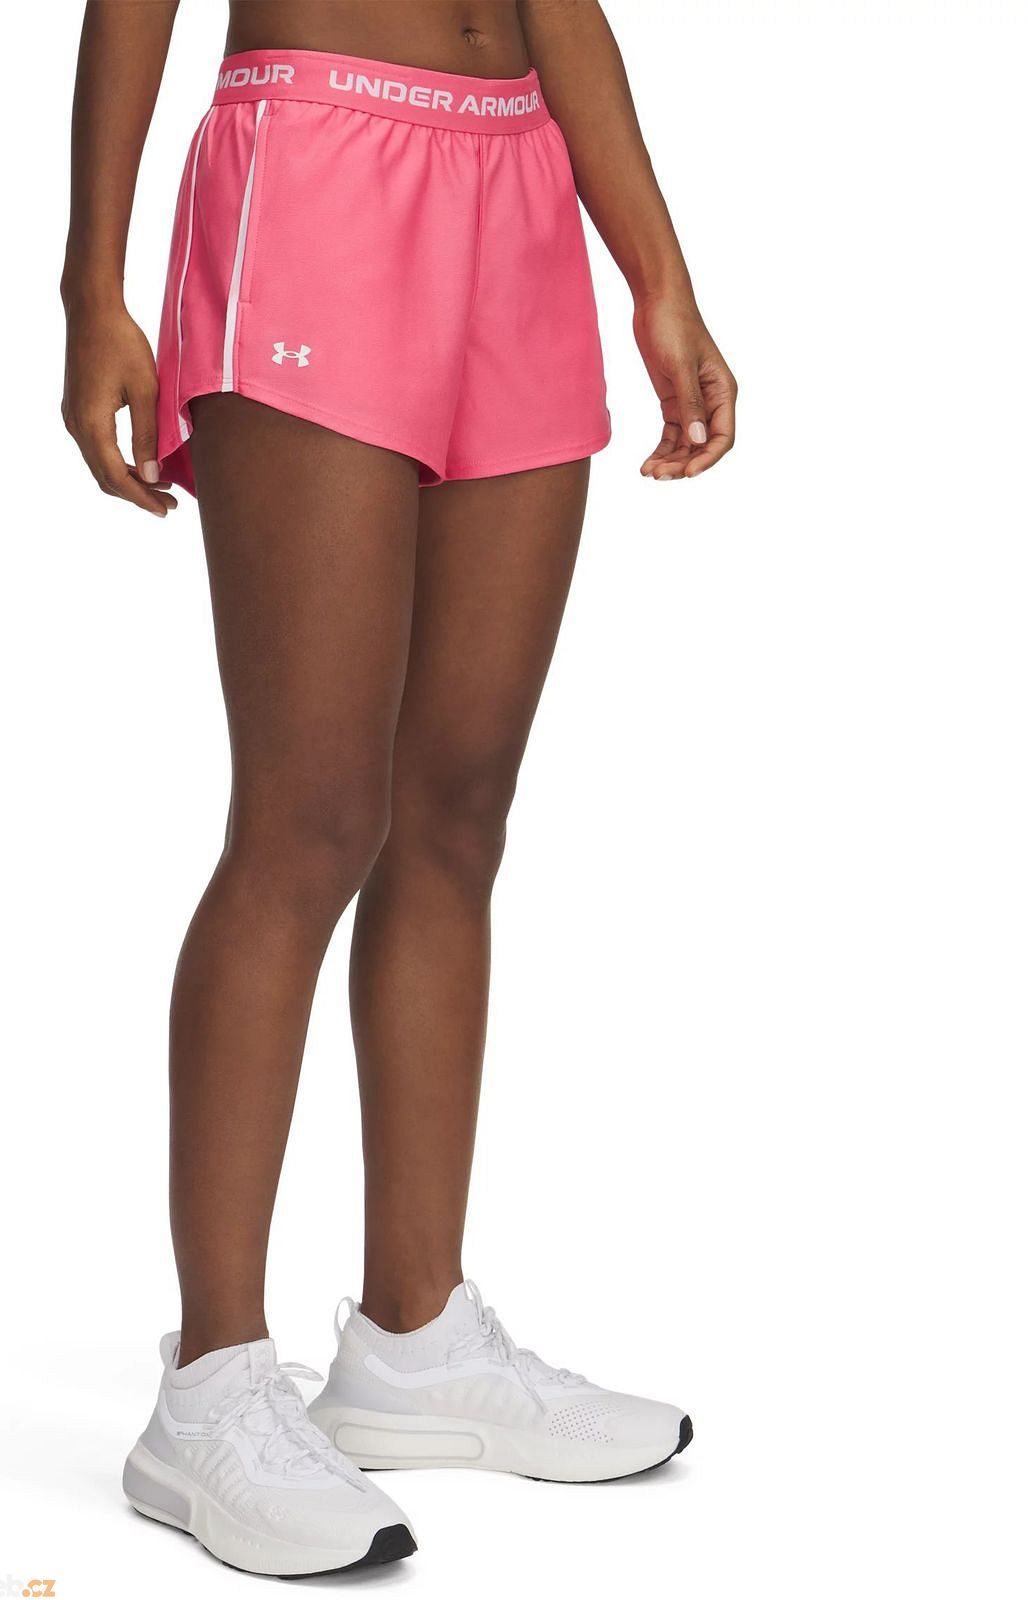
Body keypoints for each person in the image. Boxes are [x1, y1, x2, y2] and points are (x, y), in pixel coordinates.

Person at [62, 0, 736, 1577]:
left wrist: (659, 272)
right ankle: (212, 1384)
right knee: (307, 821)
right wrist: (92, 285)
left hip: (519, 183)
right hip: (314, 165)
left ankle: (414, 1340)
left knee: (456, 812)